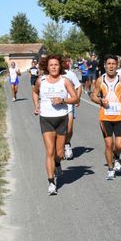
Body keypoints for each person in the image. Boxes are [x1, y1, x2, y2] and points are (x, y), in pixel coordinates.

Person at [33, 55, 79, 195]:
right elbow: (35, 92)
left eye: (56, 65)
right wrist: (36, 105)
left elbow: (75, 97)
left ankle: (58, 163)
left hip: (61, 119)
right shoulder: (41, 81)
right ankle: (51, 182)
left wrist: (63, 100)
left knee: (59, 153)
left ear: (60, 67)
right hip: (46, 119)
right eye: (51, 65)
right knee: (50, 151)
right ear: (47, 67)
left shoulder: (65, 81)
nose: (53, 67)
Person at [90, 54, 121, 180]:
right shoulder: (100, 80)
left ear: (117, 65)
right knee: (109, 144)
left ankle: (116, 157)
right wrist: (100, 101)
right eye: (109, 64)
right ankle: (110, 169)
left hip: (120, 116)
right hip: (105, 117)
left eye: (113, 64)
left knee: (120, 145)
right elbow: (93, 95)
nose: (111, 66)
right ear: (104, 66)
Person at [64, 59, 82, 160]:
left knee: (69, 129)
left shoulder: (69, 74)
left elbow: (79, 87)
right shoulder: (52, 75)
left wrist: (77, 99)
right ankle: (59, 146)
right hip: (56, 106)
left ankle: (67, 144)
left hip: (69, 104)